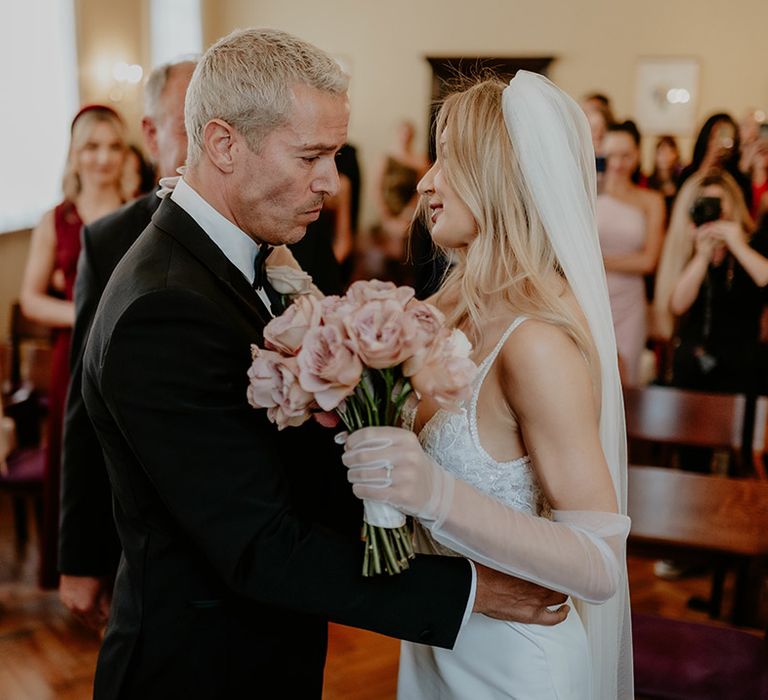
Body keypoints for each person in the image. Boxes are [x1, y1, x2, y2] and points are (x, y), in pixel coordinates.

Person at [81, 30, 567, 699]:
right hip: (200, 669)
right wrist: (474, 588)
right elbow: (259, 546)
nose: (332, 182)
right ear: (222, 144)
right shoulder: (162, 307)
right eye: (310, 155)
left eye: (334, 154)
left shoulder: (246, 261)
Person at [343, 73, 632, 699]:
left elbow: (600, 561)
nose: (424, 182)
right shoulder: (445, 310)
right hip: (437, 633)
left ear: (497, 175)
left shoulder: (536, 341)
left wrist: (434, 492)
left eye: (446, 159)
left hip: (517, 665)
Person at [19, 103, 127, 589]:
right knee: (79, 461)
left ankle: (127, 572)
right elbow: (30, 300)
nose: (103, 158)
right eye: (92, 147)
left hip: (129, 356)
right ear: (75, 154)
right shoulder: (55, 220)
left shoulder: (142, 209)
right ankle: (82, 570)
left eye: (114, 147)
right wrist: (86, 316)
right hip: (73, 357)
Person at [654, 170, 767, 394]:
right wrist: (702, 256)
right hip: (694, 364)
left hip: (743, 366)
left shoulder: (754, 244)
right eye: (705, 203)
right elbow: (678, 304)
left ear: (732, 204)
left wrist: (737, 245)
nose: (713, 211)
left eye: (717, 203)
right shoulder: (687, 248)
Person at [597, 121, 665, 386]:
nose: (618, 163)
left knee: (627, 380)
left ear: (637, 156)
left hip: (630, 302)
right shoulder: (587, 192)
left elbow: (648, 261)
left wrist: (597, 261)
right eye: (612, 154)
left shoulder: (651, 200)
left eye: (626, 155)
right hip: (593, 295)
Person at [677, 113, 752, 211]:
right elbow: (681, 207)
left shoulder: (739, 179)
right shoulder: (687, 174)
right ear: (706, 137)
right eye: (714, 136)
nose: (719, 142)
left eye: (726, 136)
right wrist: (709, 160)